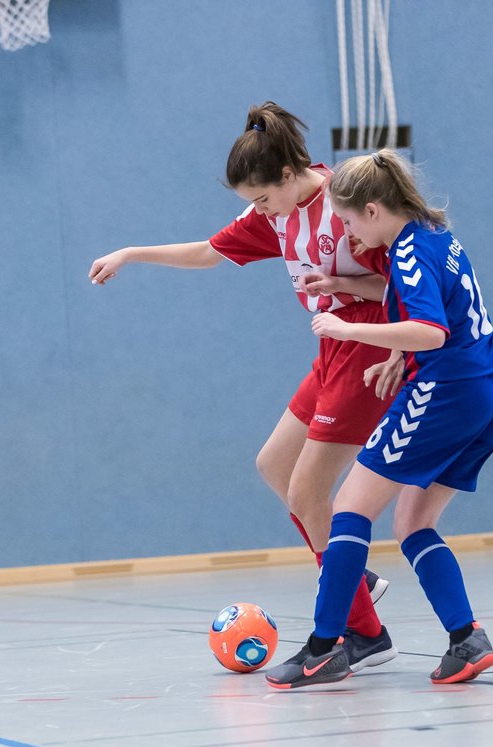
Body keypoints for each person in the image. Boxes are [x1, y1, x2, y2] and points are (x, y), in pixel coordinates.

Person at [88, 102, 398, 672]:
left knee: (308, 493)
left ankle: (356, 632)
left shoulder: (345, 201)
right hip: (331, 345)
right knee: (274, 465)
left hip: (372, 346)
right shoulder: (276, 214)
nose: (259, 213)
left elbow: (407, 283)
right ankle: (354, 580)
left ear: (287, 175)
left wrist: (349, 288)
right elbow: (209, 252)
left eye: (260, 198)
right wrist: (131, 253)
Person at [264, 149, 493, 690]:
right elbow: (432, 311)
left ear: (373, 210)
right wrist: (361, 308)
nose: (348, 234)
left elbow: (431, 332)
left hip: (447, 391)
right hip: (492, 389)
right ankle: (466, 639)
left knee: (350, 509)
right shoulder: (435, 235)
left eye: (349, 221)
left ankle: (325, 648)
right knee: (413, 525)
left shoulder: (404, 253)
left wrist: (348, 330)